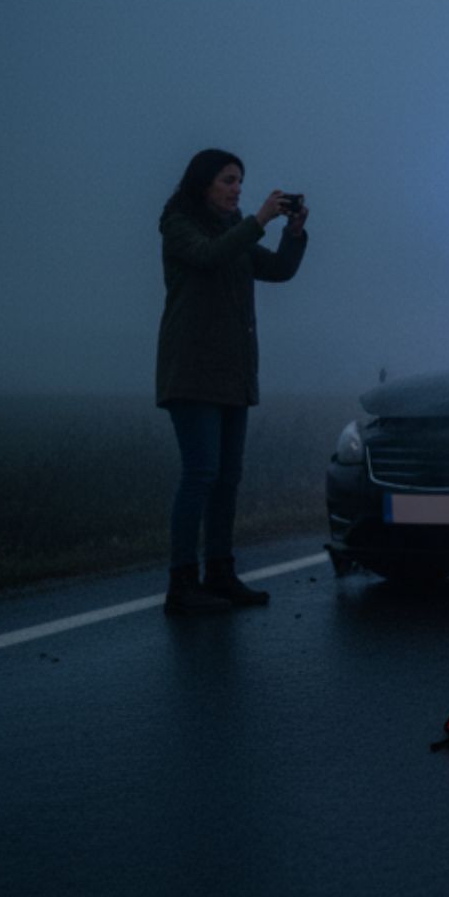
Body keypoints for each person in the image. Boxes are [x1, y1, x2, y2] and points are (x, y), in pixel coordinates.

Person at [155, 148, 309, 614]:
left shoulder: (236, 231)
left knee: (227, 479)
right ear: (204, 184)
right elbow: (207, 257)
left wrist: (294, 232)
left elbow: (278, 271)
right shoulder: (180, 225)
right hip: (192, 371)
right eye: (228, 180)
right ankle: (182, 585)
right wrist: (258, 220)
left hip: (234, 374)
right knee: (201, 474)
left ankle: (220, 573)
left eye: (240, 180)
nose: (237, 188)